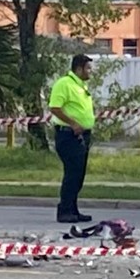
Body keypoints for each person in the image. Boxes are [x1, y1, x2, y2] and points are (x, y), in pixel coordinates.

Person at [48, 53, 96, 223]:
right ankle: (64, 211)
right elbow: (55, 107)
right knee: (72, 174)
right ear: (79, 68)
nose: (91, 71)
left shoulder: (80, 85)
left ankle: (73, 210)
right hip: (68, 135)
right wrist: (73, 123)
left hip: (82, 135)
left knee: (78, 174)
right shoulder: (64, 84)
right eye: (88, 68)